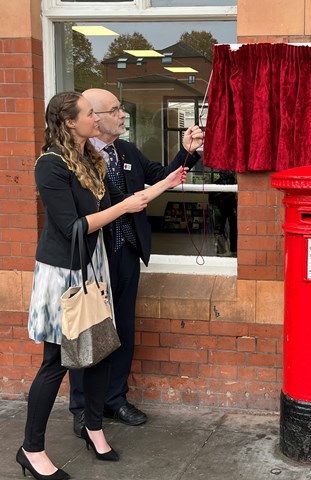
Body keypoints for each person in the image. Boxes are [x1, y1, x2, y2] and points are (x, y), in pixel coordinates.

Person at [18, 92, 187, 480]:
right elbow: (73, 227)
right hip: (63, 274)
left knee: (99, 353)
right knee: (55, 363)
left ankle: (94, 427)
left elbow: (127, 199)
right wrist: (123, 208)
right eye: (90, 113)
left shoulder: (91, 159)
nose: (97, 119)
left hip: (94, 268)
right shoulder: (51, 165)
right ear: (69, 122)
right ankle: (31, 448)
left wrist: (166, 182)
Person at [69, 89, 204, 435]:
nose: (123, 115)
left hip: (125, 252)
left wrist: (188, 152)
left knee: (122, 331)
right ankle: (83, 408)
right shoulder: (77, 158)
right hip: (91, 259)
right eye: (115, 110)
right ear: (94, 118)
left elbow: (161, 176)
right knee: (88, 331)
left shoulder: (125, 151)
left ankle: (115, 399)